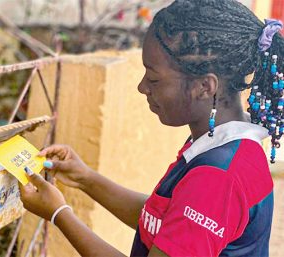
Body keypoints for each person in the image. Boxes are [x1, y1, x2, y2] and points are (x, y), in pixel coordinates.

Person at [19, 0, 284, 256]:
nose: (142, 87)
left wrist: (59, 214)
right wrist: (86, 178)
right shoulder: (220, 144)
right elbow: (166, 222)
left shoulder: (217, 178)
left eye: (154, 78)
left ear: (204, 86)